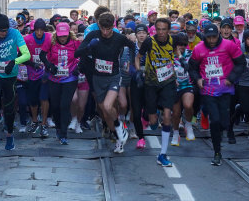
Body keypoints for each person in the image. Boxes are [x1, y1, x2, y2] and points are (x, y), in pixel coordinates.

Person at [77, 12, 135, 155]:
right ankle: (118, 138)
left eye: (108, 29)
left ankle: (120, 127)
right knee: (104, 110)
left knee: (109, 106)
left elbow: (134, 46)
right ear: (99, 26)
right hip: (98, 78)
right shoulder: (93, 36)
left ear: (112, 27)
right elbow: (77, 53)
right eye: (102, 28)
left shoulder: (119, 38)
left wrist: (132, 63)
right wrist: (89, 47)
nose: (105, 32)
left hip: (114, 76)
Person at [188, 24, 246, 166]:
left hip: (225, 89)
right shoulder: (198, 49)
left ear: (218, 34)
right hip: (208, 90)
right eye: (209, 37)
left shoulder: (229, 46)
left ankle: (225, 125)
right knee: (215, 120)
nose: (212, 40)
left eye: (214, 37)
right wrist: (198, 79)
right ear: (205, 36)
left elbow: (241, 63)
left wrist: (231, 78)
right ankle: (217, 152)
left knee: (224, 123)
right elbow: (192, 68)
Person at [0, 14, 31, 150]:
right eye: (1, 31)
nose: (4, 33)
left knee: (9, 108)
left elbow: (27, 54)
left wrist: (15, 61)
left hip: (10, 75)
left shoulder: (14, 33)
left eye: (6, 31)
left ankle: (9, 135)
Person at [135, 16, 178, 165]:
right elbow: (138, 57)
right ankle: (153, 113)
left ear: (168, 30)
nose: (160, 32)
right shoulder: (149, 41)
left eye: (164, 29)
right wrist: (139, 71)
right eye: (158, 29)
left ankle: (163, 154)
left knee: (168, 115)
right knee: (153, 121)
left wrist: (180, 63)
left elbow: (176, 55)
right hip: (151, 83)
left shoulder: (173, 40)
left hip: (168, 81)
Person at [45, 22, 81, 145]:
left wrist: (78, 68)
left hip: (70, 78)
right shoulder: (51, 42)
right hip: (54, 79)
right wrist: (49, 66)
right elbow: (42, 55)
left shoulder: (75, 43)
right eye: (60, 35)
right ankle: (59, 128)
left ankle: (64, 134)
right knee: (55, 106)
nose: (62, 38)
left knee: (64, 105)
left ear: (69, 34)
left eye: (64, 35)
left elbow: (84, 56)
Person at [21, 19, 52, 138]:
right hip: (32, 74)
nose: (39, 32)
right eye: (37, 30)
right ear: (34, 30)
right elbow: (21, 55)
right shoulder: (27, 39)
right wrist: (32, 64)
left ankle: (43, 124)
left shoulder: (50, 38)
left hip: (45, 73)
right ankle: (35, 121)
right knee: (33, 101)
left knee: (44, 98)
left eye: (41, 30)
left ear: (44, 30)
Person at [170, 33, 195, 145]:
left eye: (184, 44)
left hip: (187, 85)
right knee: (176, 113)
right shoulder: (168, 55)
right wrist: (171, 79)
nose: (182, 47)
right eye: (179, 44)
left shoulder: (190, 54)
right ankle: (175, 133)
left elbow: (192, 68)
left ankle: (188, 125)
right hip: (173, 87)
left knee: (188, 105)